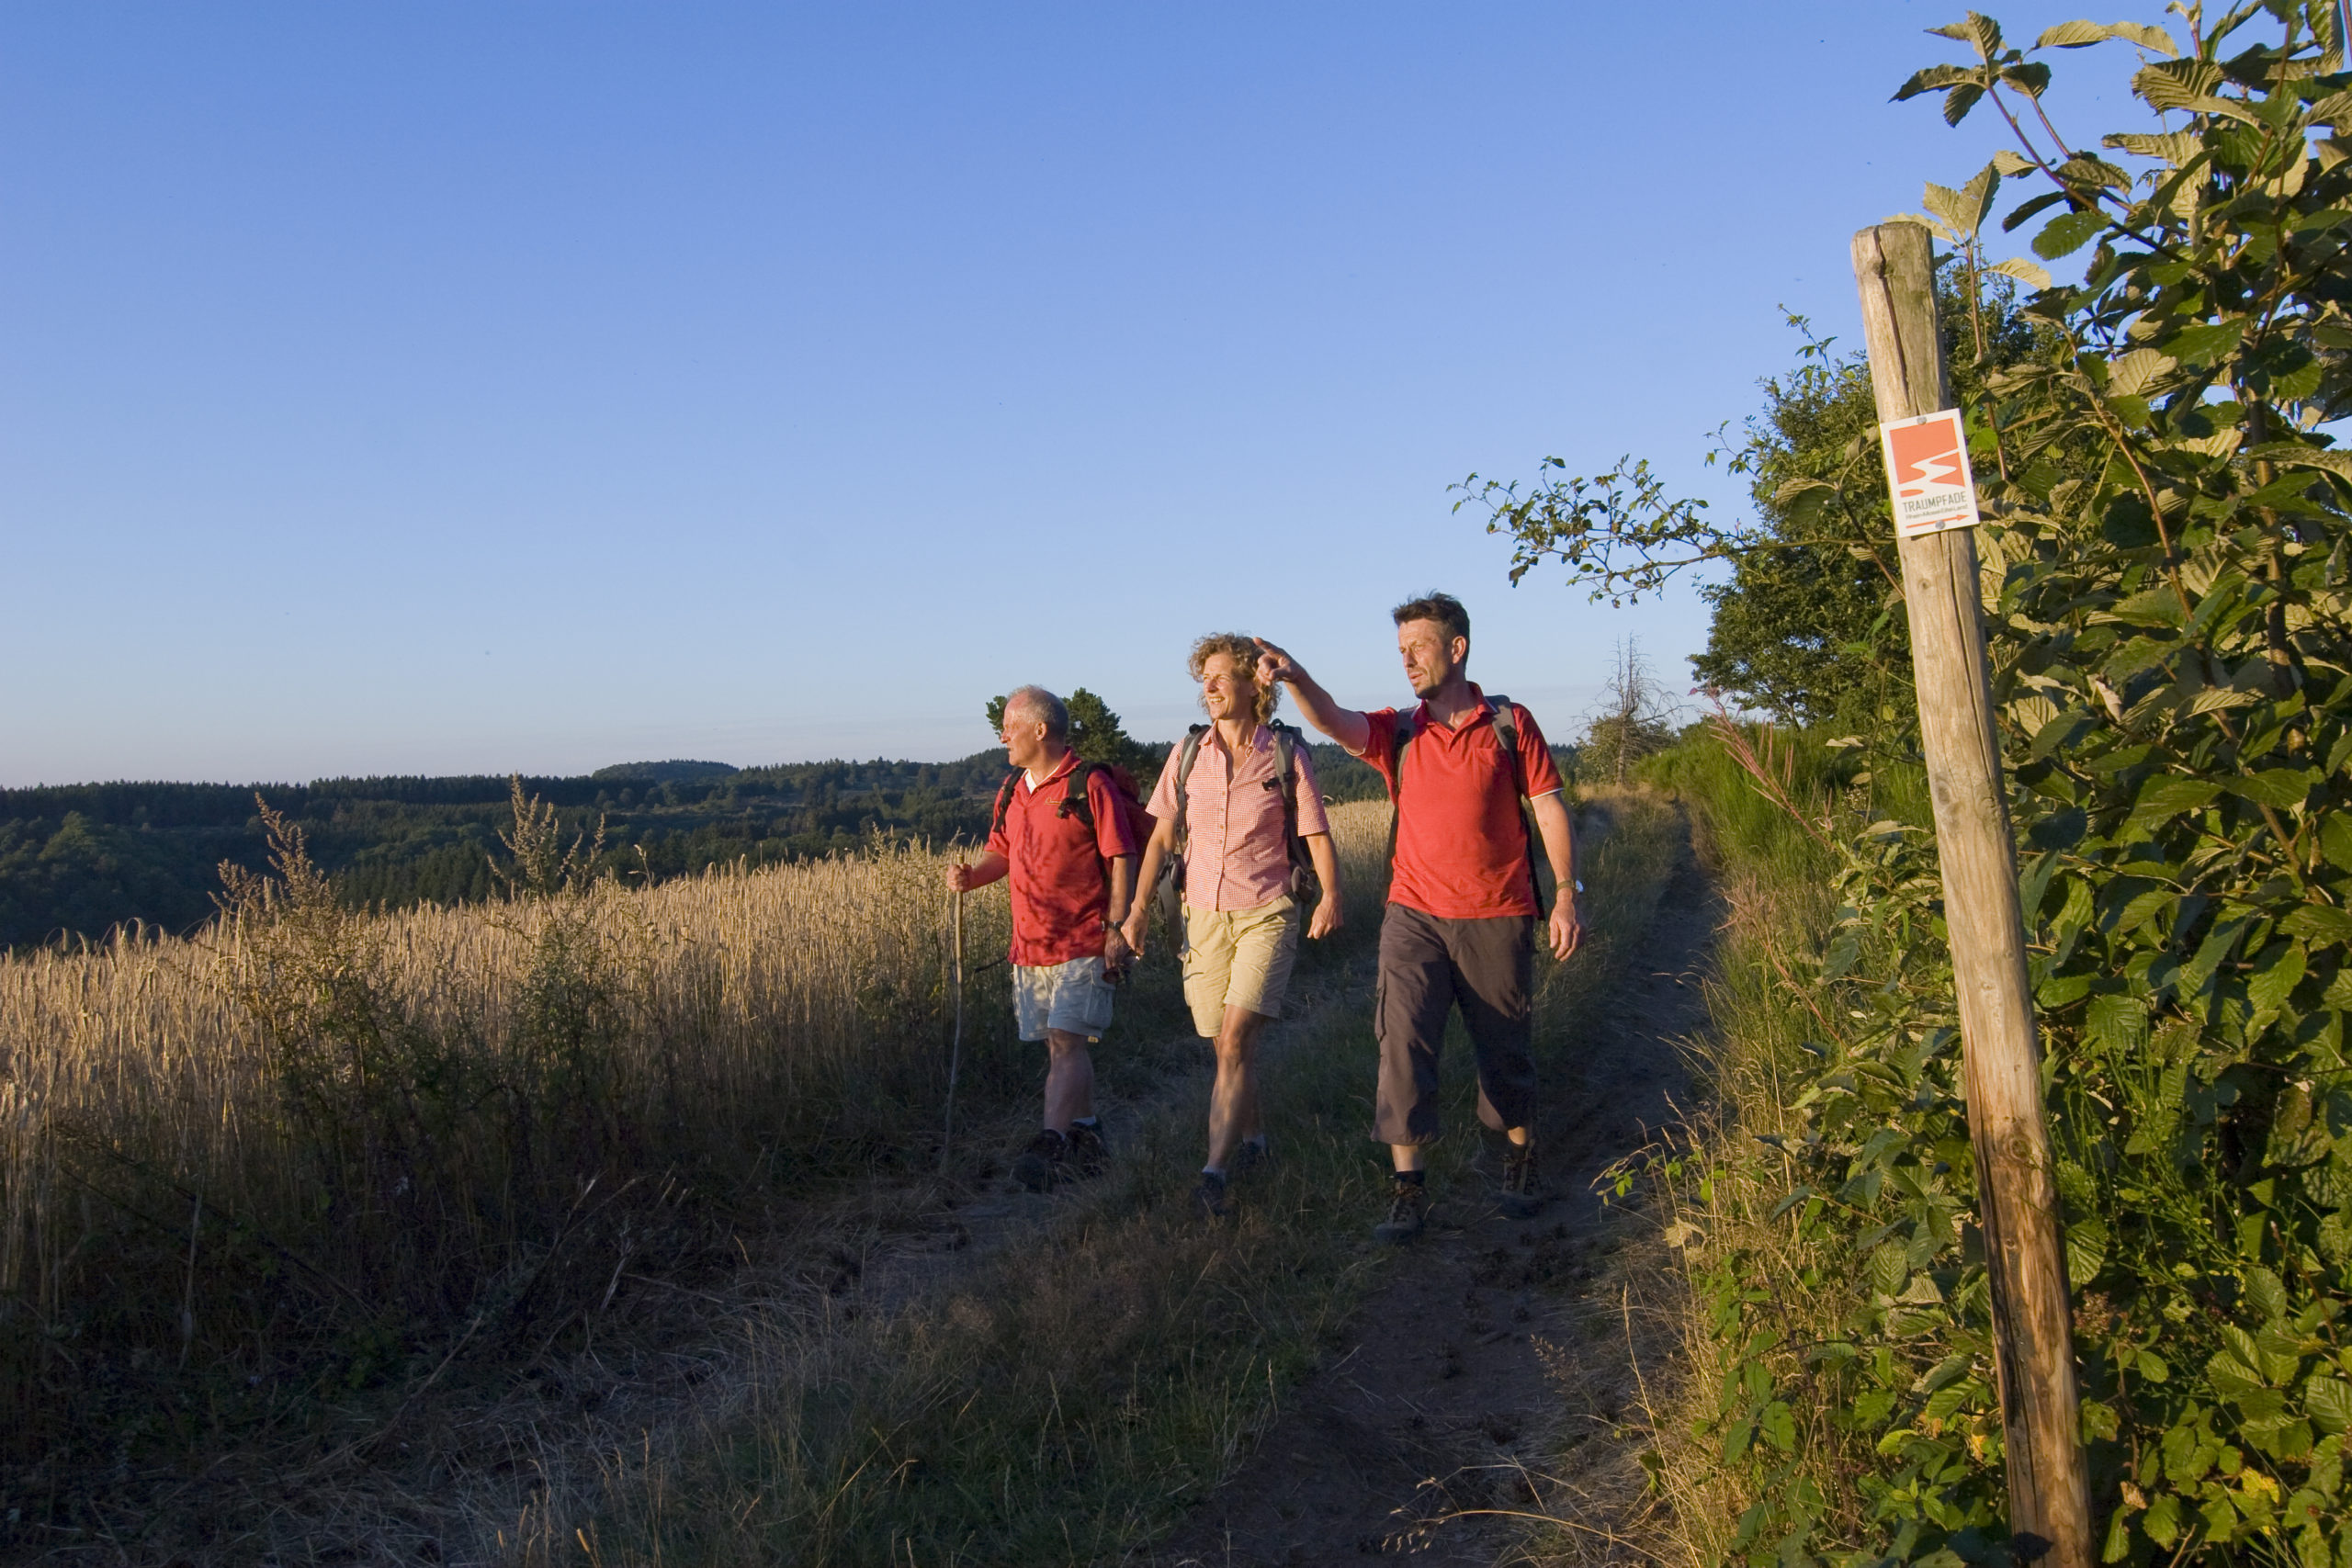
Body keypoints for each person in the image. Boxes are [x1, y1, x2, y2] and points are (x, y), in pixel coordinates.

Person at [1253, 592, 1581, 1242]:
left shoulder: (1508, 724)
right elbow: (1336, 722)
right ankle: (1408, 1189)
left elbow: (1547, 807)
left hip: (1499, 912)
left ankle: (1520, 1155)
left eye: (1419, 647)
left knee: (1503, 1048)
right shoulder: (1399, 730)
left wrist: (1567, 891)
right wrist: (1294, 677)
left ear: (1456, 648)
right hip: (1413, 916)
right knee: (1401, 1044)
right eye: (1400, 650)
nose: (1407, 661)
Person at [1122, 635, 1342, 1221]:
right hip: (1200, 915)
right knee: (1222, 1043)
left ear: (1255, 685)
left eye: (1220, 677)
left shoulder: (1285, 755)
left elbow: (1315, 831)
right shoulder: (1186, 754)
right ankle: (1255, 1144)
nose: (1209, 689)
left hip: (1267, 910)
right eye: (1204, 680)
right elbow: (1163, 836)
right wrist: (1139, 909)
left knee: (1236, 1041)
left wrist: (1331, 895)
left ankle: (1212, 1175)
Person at [945, 685, 1140, 1191]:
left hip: (1084, 939)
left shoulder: (1088, 784)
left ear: (1039, 729)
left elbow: (1121, 855)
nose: (1002, 735)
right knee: (1062, 1050)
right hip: (1030, 945)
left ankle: (1050, 1143)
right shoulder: (1012, 789)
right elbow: (1001, 853)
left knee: (1066, 1040)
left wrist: (1118, 929)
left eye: (1009, 725)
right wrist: (972, 875)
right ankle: (1089, 1135)